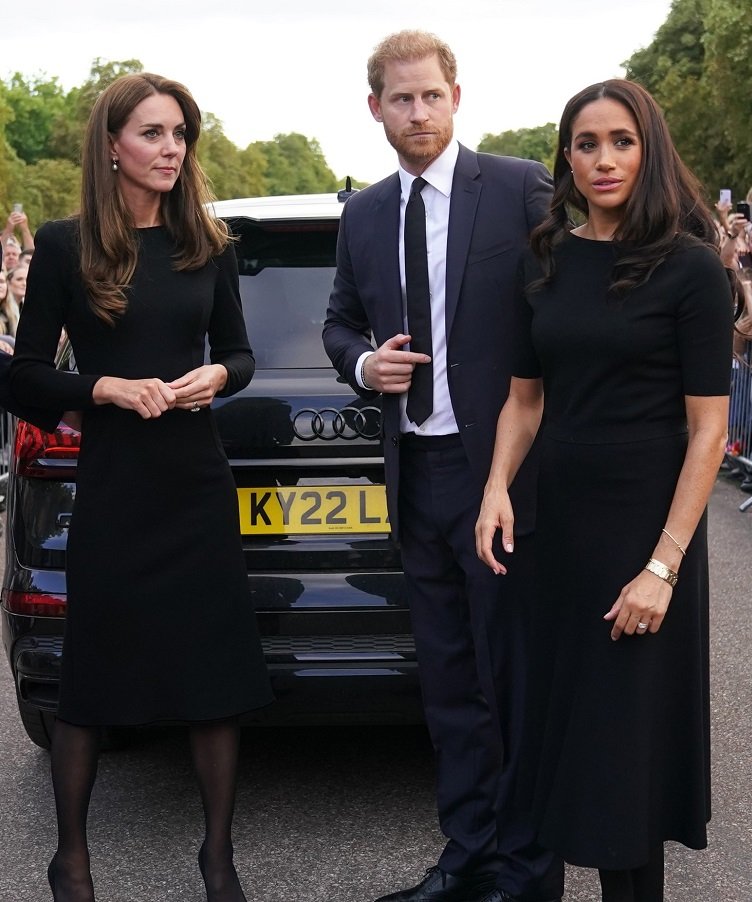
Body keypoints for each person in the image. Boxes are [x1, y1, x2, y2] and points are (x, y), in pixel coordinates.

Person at [9, 72, 272, 902]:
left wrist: (214, 376)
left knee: (213, 677)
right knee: (93, 677)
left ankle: (219, 861)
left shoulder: (208, 242)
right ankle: (71, 862)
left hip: (195, 480)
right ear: (113, 148)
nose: (171, 149)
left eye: (180, 133)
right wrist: (104, 388)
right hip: (117, 483)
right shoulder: (63, 245)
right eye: (153, 133)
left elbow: (241, 353)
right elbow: (17, 377)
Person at [475, 78, 733, 902]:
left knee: (629, 757)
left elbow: (709, 431)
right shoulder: (544, 258)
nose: (603, 159)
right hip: (560, 532)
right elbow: (525, 398)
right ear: (567, 158)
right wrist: (495, 488)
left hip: (647, 530)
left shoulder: (691, 269)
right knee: (572, 741)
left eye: (620, 140)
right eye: (585, 144)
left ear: (648, 148)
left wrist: (662, 567)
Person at [321, 30, 560, 902]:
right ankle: (467, 858)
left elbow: (570, 306)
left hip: (500, 477)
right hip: (413, 475)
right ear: (375, 107)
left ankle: (530, 875)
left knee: (512, 684)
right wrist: (361, 365)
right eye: (399, 98)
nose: (416, 112)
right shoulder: (364, 213)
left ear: (456, 96)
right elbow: (339, 321)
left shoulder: (521, 186)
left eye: (429, 96)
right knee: (449, 685)